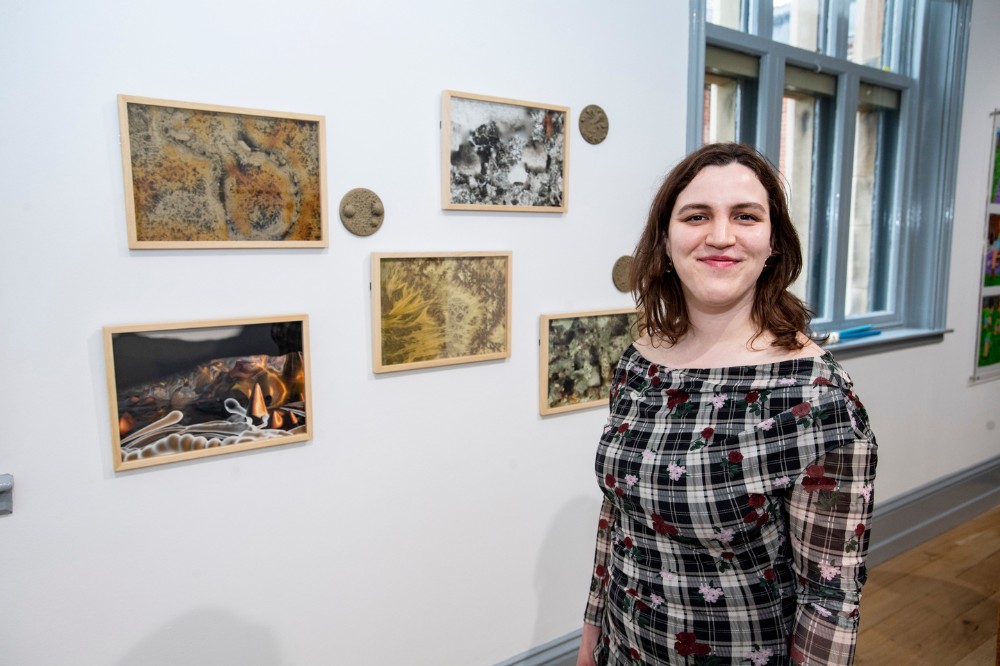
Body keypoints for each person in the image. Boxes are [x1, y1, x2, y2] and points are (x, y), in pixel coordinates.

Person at [577, 143, 878, 666]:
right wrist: (589, 645)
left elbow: (829, 600)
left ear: (773, 244)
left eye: (745, 216)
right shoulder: (640, 364)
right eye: (697, 216)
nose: (721, 236)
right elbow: (617, 522)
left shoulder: (816, 398)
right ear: (666, 242)